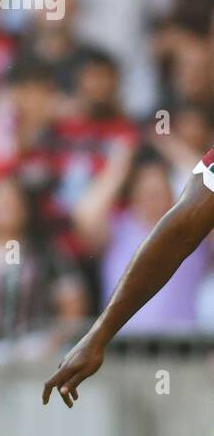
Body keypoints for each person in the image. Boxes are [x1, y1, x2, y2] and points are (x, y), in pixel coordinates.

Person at [44, 144, 214, 408]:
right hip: (127, 352)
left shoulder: (194, 231)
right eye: (146, 190)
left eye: (160, 189)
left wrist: (169, 148)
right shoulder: (121, 228)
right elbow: (85, 216)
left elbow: (184, 225)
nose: (153, 195)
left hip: (184, 354)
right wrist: (120, 165)